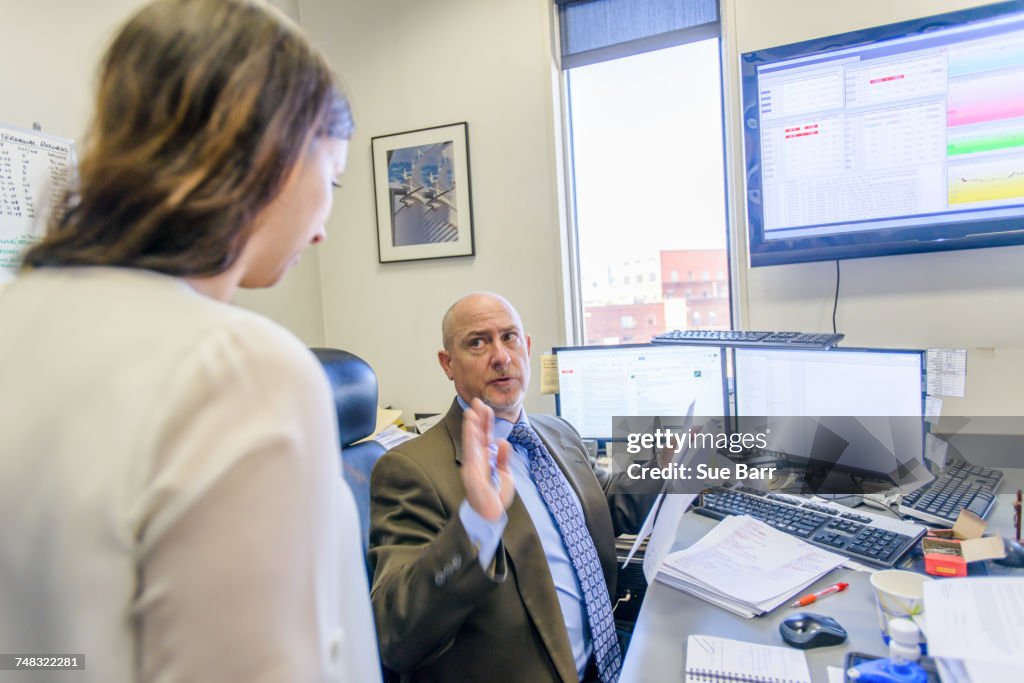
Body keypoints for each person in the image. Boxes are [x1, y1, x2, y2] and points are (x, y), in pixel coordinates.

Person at [0, 1, 379, 681]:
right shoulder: (237, 372)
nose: (323, 228)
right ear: (278, 152)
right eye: (334, 177)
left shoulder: (18, 322)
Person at [368, 292, 660, 682]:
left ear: (526, 347)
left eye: (509, 338)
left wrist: (665, 468)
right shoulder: (408, 468)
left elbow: (606, 505)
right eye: (477, 342)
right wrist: (477, 525)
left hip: (607, 664)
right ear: (447, 364)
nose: (500, 356)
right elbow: (396, 635)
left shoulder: (558, 431)